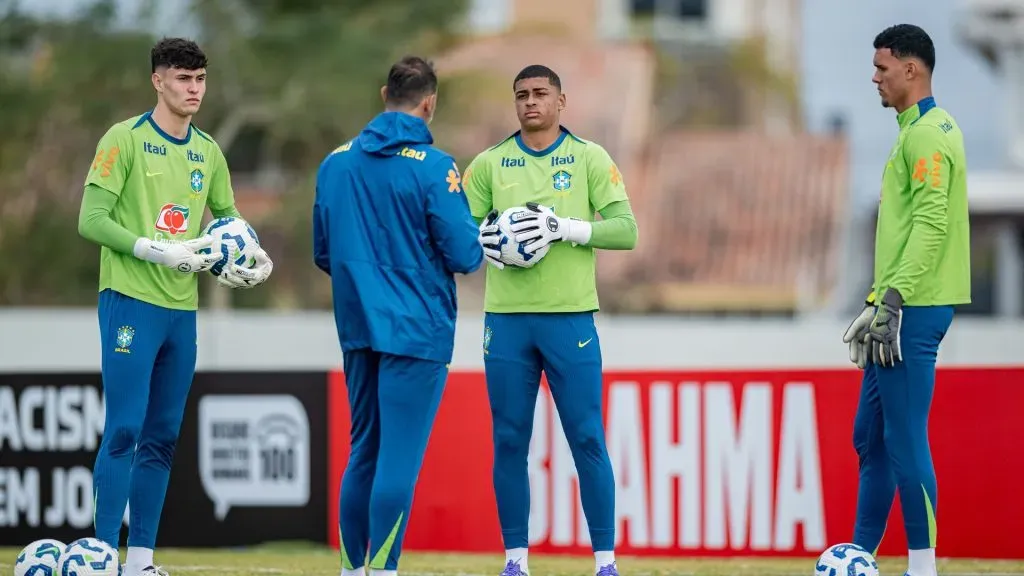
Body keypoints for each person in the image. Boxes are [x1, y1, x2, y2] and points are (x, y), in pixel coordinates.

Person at [78, 37, 273, 576]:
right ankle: (100, 559)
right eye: (183, 79)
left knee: (162, 436)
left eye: (200, 79)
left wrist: (245, 256)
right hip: (130, 302)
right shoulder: (125, 139)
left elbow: (230, 222)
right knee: (123, 429)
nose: (194, 89)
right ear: (158, 81)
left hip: (179, 312)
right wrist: (151, 248)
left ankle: (140, 562)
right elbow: (90, 220)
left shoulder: (208, 151)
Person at [462, 64, 639, 576]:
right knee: (509, 438)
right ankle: (515, 560)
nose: (531, 102)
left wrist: (565, 227)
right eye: (522, 95)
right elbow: (460, 234)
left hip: (570, 320)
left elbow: (625, 231)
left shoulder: (587, 157)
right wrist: (488, 241)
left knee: (587, 437)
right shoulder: (490, 164)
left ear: (562, 101)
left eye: (541, 94)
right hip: (508, 322)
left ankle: (605, 562)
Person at [313, 55, 485, 576]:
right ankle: (384, 571)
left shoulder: (335, 163)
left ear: (382, 92)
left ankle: (351, 570)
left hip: (358, 326)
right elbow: (465, 254)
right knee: (399, 459)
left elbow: (324, 252)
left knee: (363, 448)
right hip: (417, 330)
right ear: (428, 103)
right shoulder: (436, 168)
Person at [842, 24, 970, 576]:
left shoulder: (927, 135)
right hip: (895, 304)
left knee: (903, 437)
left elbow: (932, 222)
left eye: (883, 68)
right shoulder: (913, 129)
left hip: (912, 308)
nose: (874, 77)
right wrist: (878, 298)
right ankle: (858, 557)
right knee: (869, 437)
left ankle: (923, 566)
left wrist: (893, 298)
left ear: (911, 70)